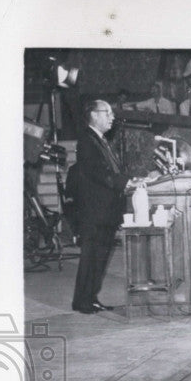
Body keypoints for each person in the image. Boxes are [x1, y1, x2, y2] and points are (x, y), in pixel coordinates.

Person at [71, 99, 134, 314]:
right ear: (93, 115)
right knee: (91, 257)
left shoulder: (100, 140)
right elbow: (98, 173)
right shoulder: (87, 141)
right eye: (107, 112)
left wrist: (129, 180)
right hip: (95, 212)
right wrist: (125, 182)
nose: (112, 117)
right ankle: (82, 301)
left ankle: (91, 297)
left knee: (99, 258)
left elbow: (112, 171)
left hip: (105, 211)